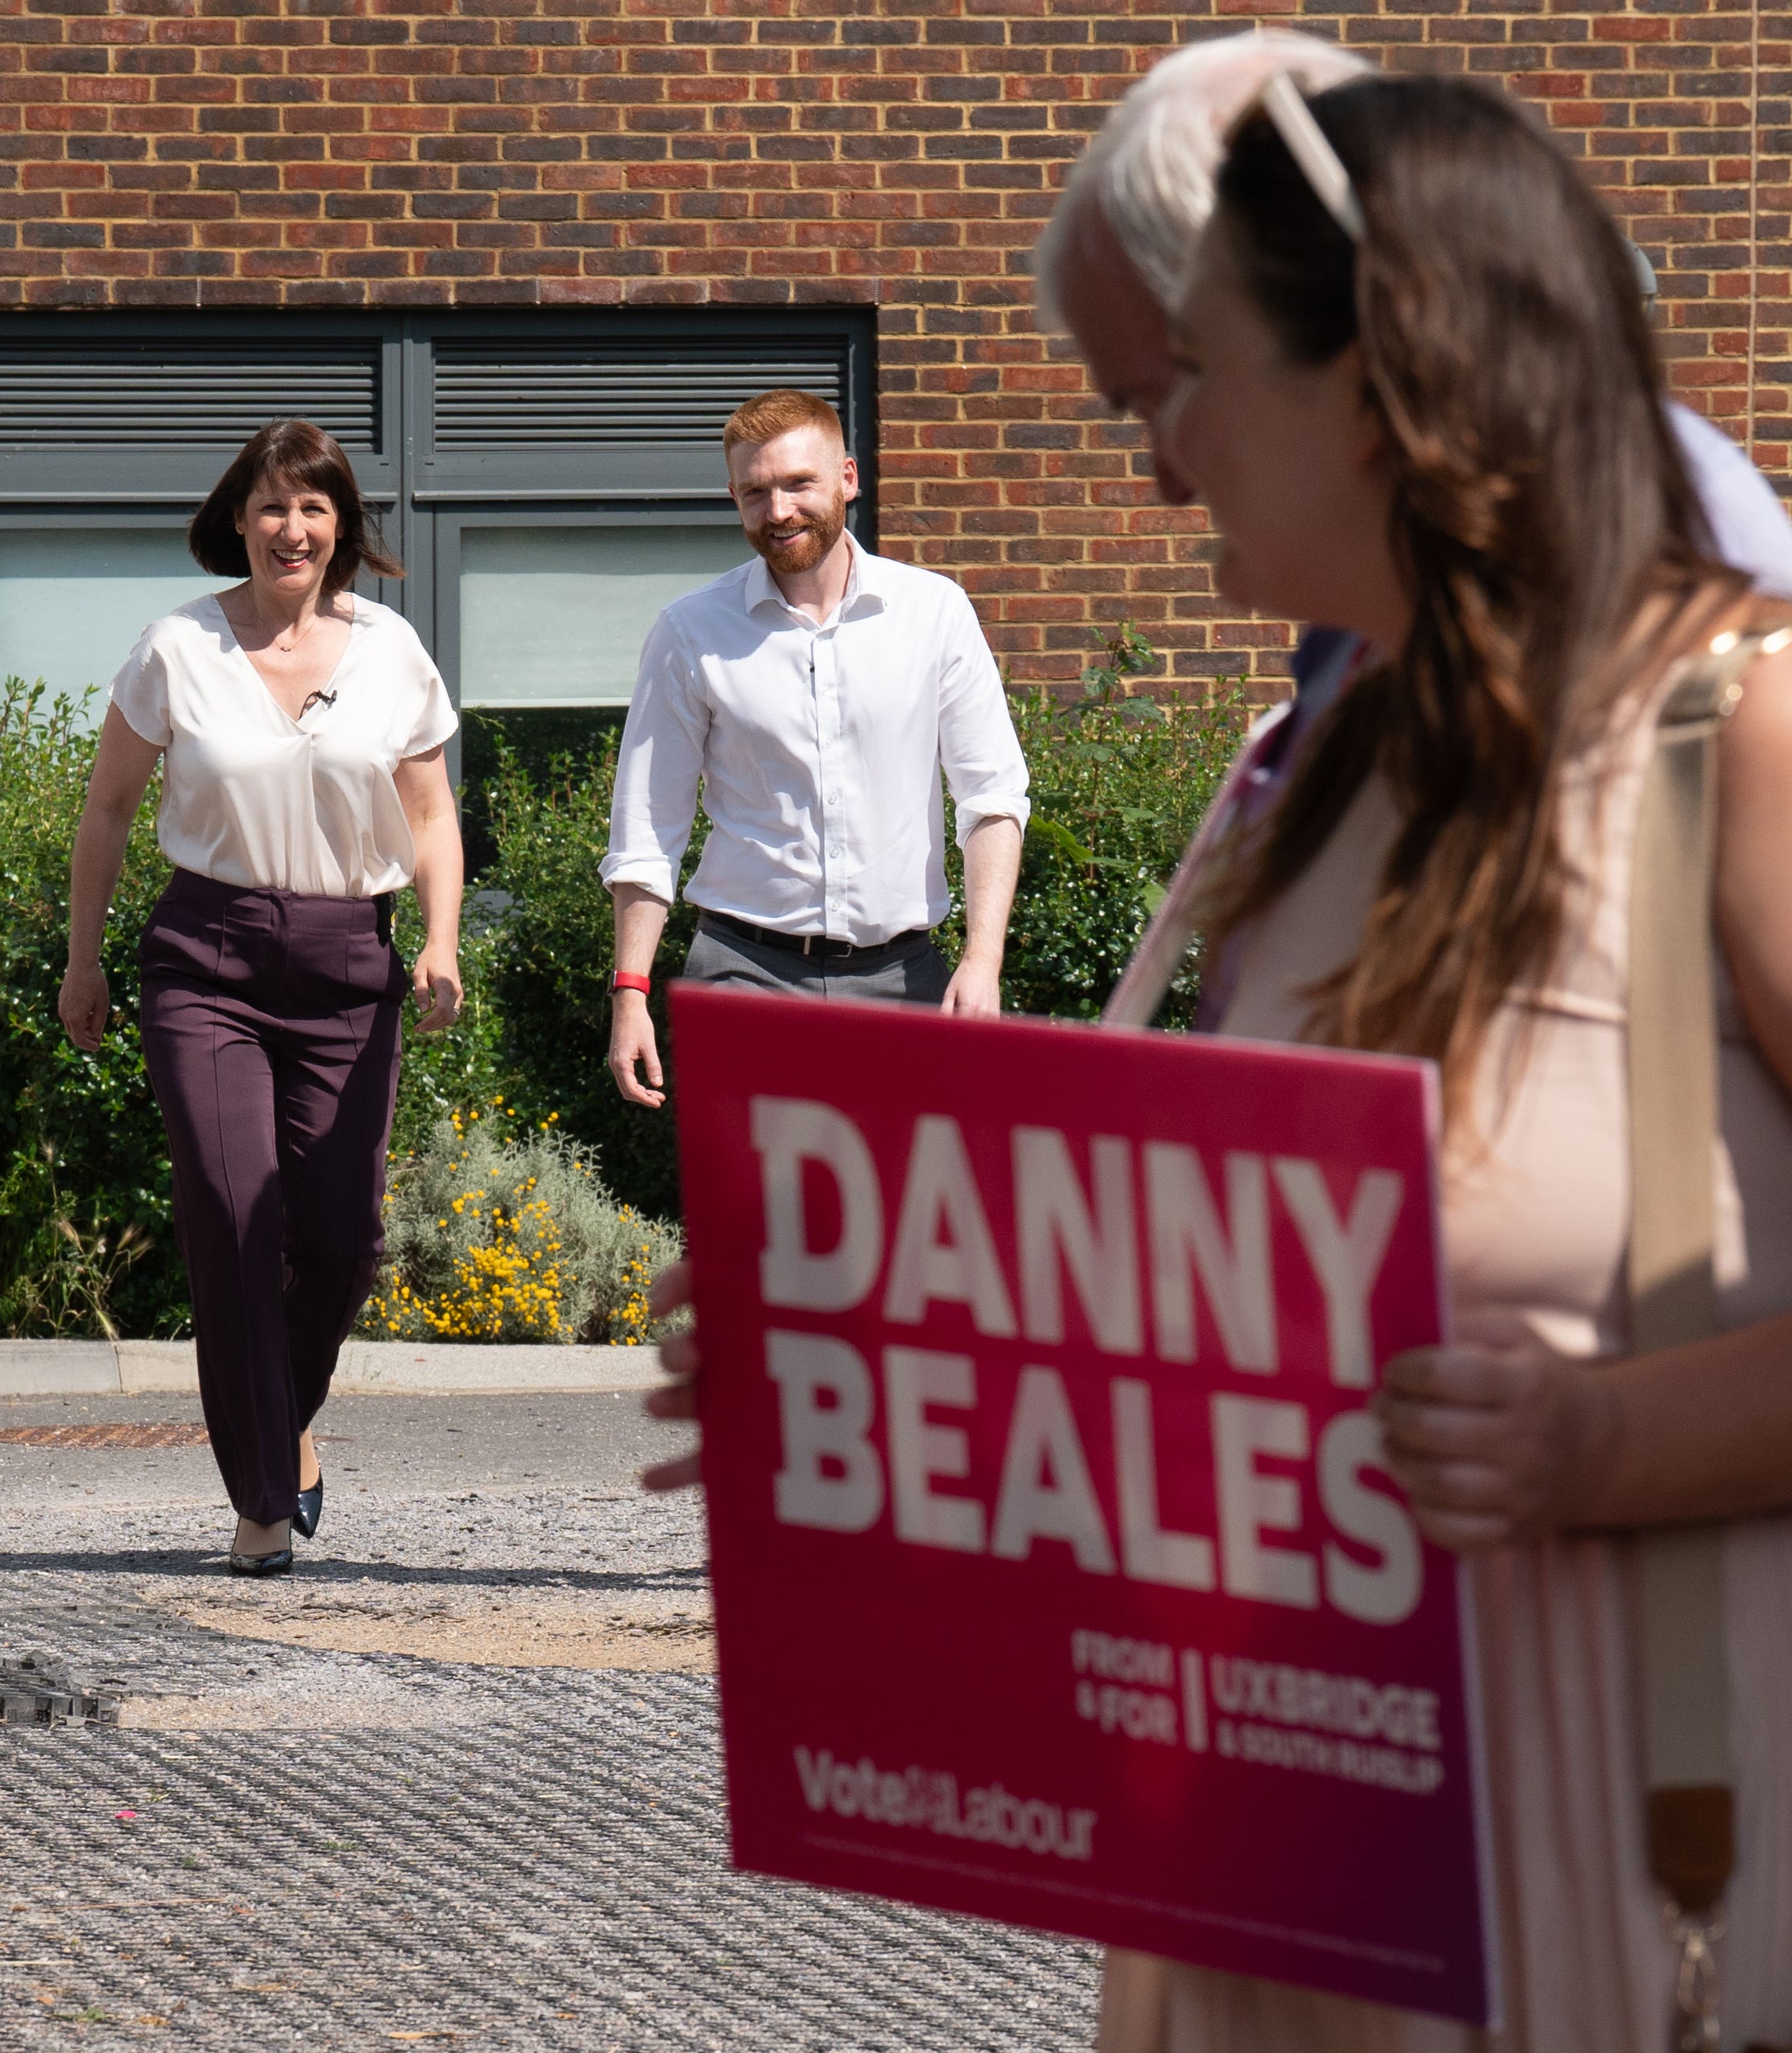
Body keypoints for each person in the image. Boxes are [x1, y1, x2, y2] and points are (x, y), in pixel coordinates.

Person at [657, 72, 1792, 2051]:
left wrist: (1600, 1446)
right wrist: (855, 1339)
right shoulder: (1299, 783)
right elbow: (1222, 1307)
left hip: (1619, 1908)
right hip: (1281, 1920)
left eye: (1185, 378)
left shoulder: (1740, 740)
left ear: (1384, 376)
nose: (1163, 462)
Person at [1032, 29, 1792, 988]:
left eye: (1188, 372)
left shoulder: (1737, 711)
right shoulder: (1365, 706)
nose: (1169, 464)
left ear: (1364, 372)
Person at [56, 418, 463, 1576]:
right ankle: (260, 1501)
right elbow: (108, 812)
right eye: (274, 507)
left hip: (350, 964)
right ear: (238, 519)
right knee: (234, 1220)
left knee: (341, 1242)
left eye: (316, 507)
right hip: (209, 960)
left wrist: (439, 942)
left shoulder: (392, 650)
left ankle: (280, 1420)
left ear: (343, 527)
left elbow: (431, 818)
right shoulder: (175, 648)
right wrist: (85, 961)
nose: (294, 528)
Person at [601, 390, 1029, 1110]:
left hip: (905, 978)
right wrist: (630, 991)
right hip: (742, 973)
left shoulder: (933, 613)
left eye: (799, 483)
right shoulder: (689, 632)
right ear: (733, 497)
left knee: (902, 1215)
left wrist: (983, 962)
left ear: (848, 479)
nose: (779, 512)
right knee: (753, 1217)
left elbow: (991, 798)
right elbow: (648, 827)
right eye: (755, 492)